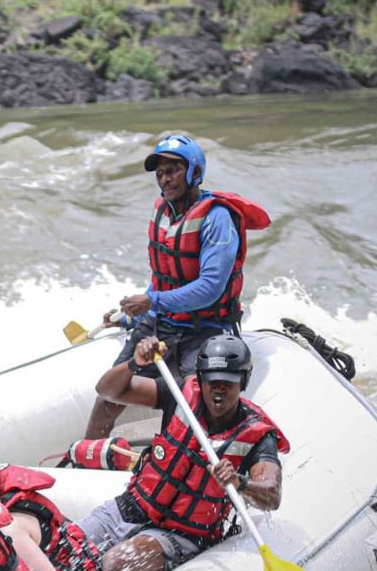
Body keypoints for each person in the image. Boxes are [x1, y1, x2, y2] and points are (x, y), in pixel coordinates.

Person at [83, 131, 272, 441]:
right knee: (108, 397)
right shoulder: (164, 211)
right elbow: (165, 276)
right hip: (161, 323)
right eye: (160, 173)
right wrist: (132, 316)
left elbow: (209, 288)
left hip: (204, 328)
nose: (165, 179)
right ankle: (85, 456)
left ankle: (173, 467)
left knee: (189, 406)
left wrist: (150, 301)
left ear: (194, 171)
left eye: (173, 170)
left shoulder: (217, 219)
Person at [75, 333, 287, 571]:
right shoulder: (179, 395)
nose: (219, 388)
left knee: (118, 563)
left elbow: (272, 494)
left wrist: (239, 482)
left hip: (182, 536)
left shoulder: (256, 434)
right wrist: (134, 363)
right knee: (66, 549)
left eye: (228, 383)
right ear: (200, 378)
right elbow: (107, 391)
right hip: (131, 507)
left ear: (243, 381)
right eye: (212, 381)